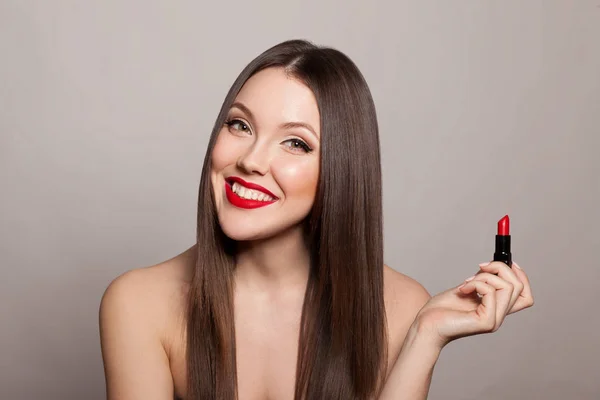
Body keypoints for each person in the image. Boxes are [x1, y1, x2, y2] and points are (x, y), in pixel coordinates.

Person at [99, 39, 534, 400]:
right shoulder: (140, 303)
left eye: (295, 143)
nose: (250, 160)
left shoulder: (400, 307)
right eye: (239, 125)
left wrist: (426, 337)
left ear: (340, 171)